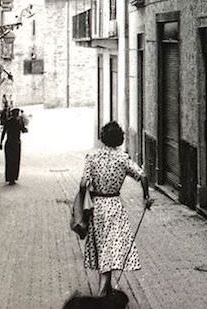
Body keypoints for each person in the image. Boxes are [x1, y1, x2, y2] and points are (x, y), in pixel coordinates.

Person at [81, 121, 153, 297]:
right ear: (120, 139)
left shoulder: (92, 157)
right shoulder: (123, 158)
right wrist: (146, 197)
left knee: (102, 247)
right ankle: (103, 290)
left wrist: (84, 202)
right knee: (111, 246)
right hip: (114, 206)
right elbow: (142, 176)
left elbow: (83, 183)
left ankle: (104, 288)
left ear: (103, 138)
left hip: (97, 206)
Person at [0, 107, 27, 185]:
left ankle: (9, 177)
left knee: (9, 160)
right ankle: (13, 177)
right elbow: (24, 130)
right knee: (15, 160)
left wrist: (1, 143)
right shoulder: (19, 122)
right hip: (16, 143)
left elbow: (3, 132)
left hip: (9, 143)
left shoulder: (8, 121)